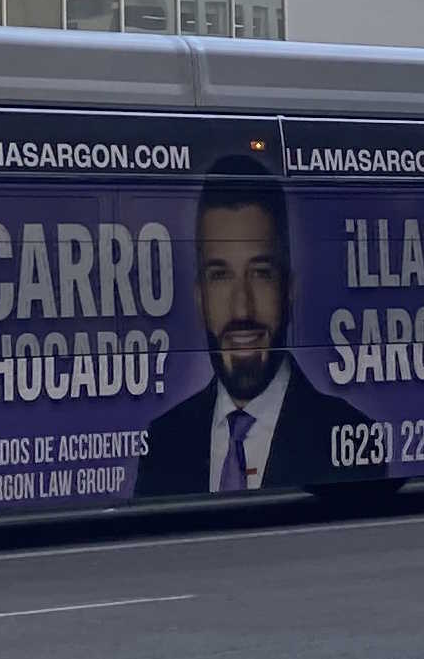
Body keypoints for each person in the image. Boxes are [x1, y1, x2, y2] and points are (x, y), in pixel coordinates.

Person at [134, 160, 372, 497]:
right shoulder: (164, 444)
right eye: (220, 276)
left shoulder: (350, 433)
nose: (242, 307)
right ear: (200, 296)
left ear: (288, 289)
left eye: (261, 273)